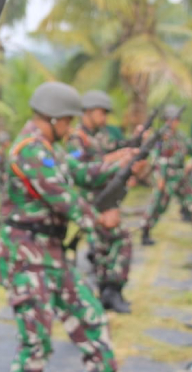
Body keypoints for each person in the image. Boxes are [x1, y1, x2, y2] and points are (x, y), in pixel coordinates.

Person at [0, 82, 118, 372]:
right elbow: (63, 196)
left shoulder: (50, 149)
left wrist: (118, 162)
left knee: (93, 323)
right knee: (35, 347)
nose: (71, 128)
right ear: (54, 118)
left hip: (52, 255)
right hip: (27, 258)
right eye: (69, 120)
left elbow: (81, 172)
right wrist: (99, 221)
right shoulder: (29, 150)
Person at [70, 90, 144, 314]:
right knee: (107, 245)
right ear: (89, 112)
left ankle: (111, 292)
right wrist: (115, 159)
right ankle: (108, 293)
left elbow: (116, 147)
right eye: (101, 113)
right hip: (92, 200)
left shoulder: (100, 135)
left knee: (114, 243)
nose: (104, 118)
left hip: (107, 195)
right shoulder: (76, 139)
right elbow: (80, 170)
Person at [141, 105, 192, 245]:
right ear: (166, 120)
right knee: (158, 204)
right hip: (166, 176)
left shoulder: (181, 136)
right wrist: (160, 177)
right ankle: (145, 232)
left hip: (181, 175)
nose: (174, 123)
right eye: (171, 120)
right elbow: (156, 157)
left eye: (176, 120)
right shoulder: (161, 137)